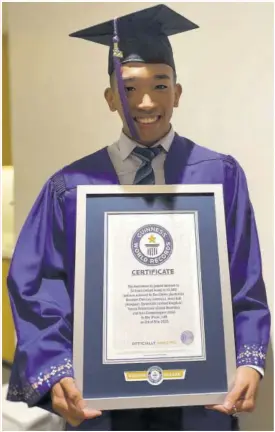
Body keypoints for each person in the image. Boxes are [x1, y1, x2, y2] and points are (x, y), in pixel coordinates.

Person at [7, 4, 270, 431]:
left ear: (178, 93)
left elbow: (244, 279)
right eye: (128, 89)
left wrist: (248, 361)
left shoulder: (220, 176)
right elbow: (39, 286)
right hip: (104, 400)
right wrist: (56, 368)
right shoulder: (70, 187)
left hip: (199, 401)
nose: (145, 102)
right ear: (110, 98)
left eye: (159, 85)